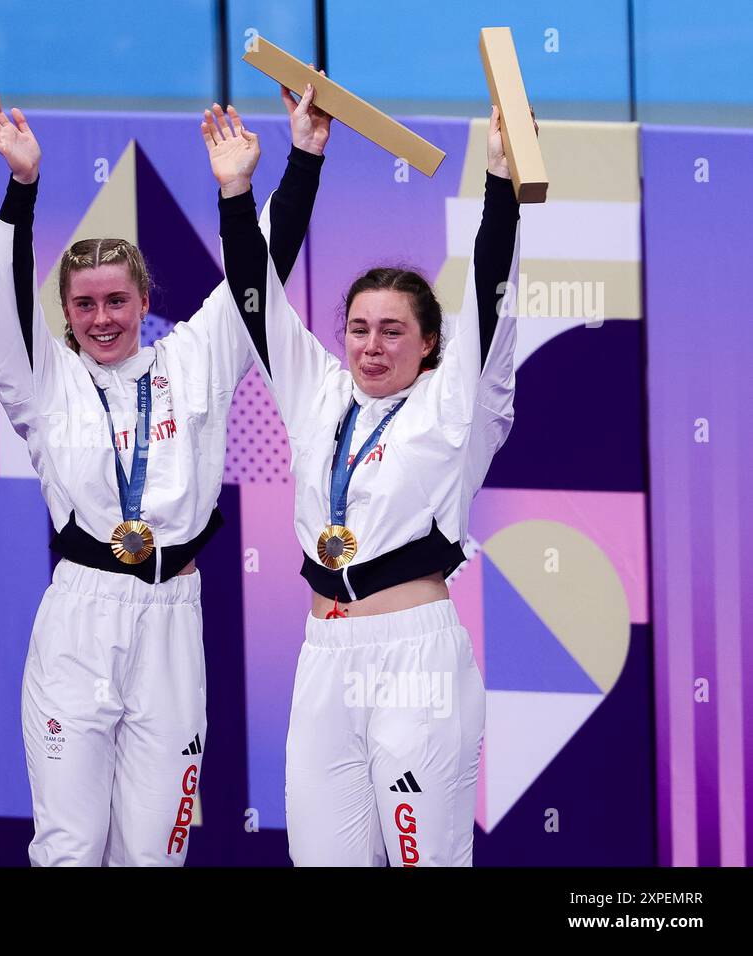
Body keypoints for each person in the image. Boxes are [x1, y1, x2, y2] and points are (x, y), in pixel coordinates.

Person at [0, 84, 329, 865]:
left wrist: (301, 159)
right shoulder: (44, 380)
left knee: (156, 852)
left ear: (143, 301)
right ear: (64, 312)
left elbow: (256, 281)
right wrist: (20, 187)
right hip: (80, 621)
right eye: (84, 304)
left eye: (116, 301)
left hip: (174, 615)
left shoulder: (193, 360)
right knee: (69, 845)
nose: (101, 319)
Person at [210, 103, 527, 866]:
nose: (372, 345)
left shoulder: (458, 404)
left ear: (429, 344)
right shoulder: (318, 391)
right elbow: (255, 302)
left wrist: (499, 179)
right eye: (359, 327)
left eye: (393, 331)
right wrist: (256, 181)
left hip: (416, 660)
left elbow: (488, 291)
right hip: (324, 655)